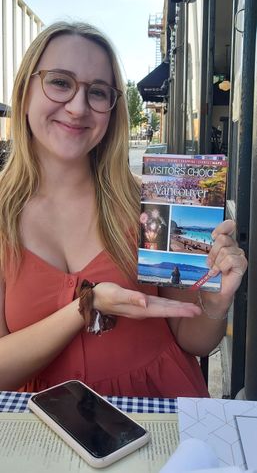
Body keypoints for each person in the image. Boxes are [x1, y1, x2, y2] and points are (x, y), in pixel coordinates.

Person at [0, 21, 247, 398]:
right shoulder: (3, 217)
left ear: (112, 110)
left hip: (157, 421)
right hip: (43, 434)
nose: (78, 107)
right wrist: (88, 305)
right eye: (61, 82)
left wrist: (215, 298)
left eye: (98, 92)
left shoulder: (151, 203)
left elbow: (194, 339)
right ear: (25, 90)